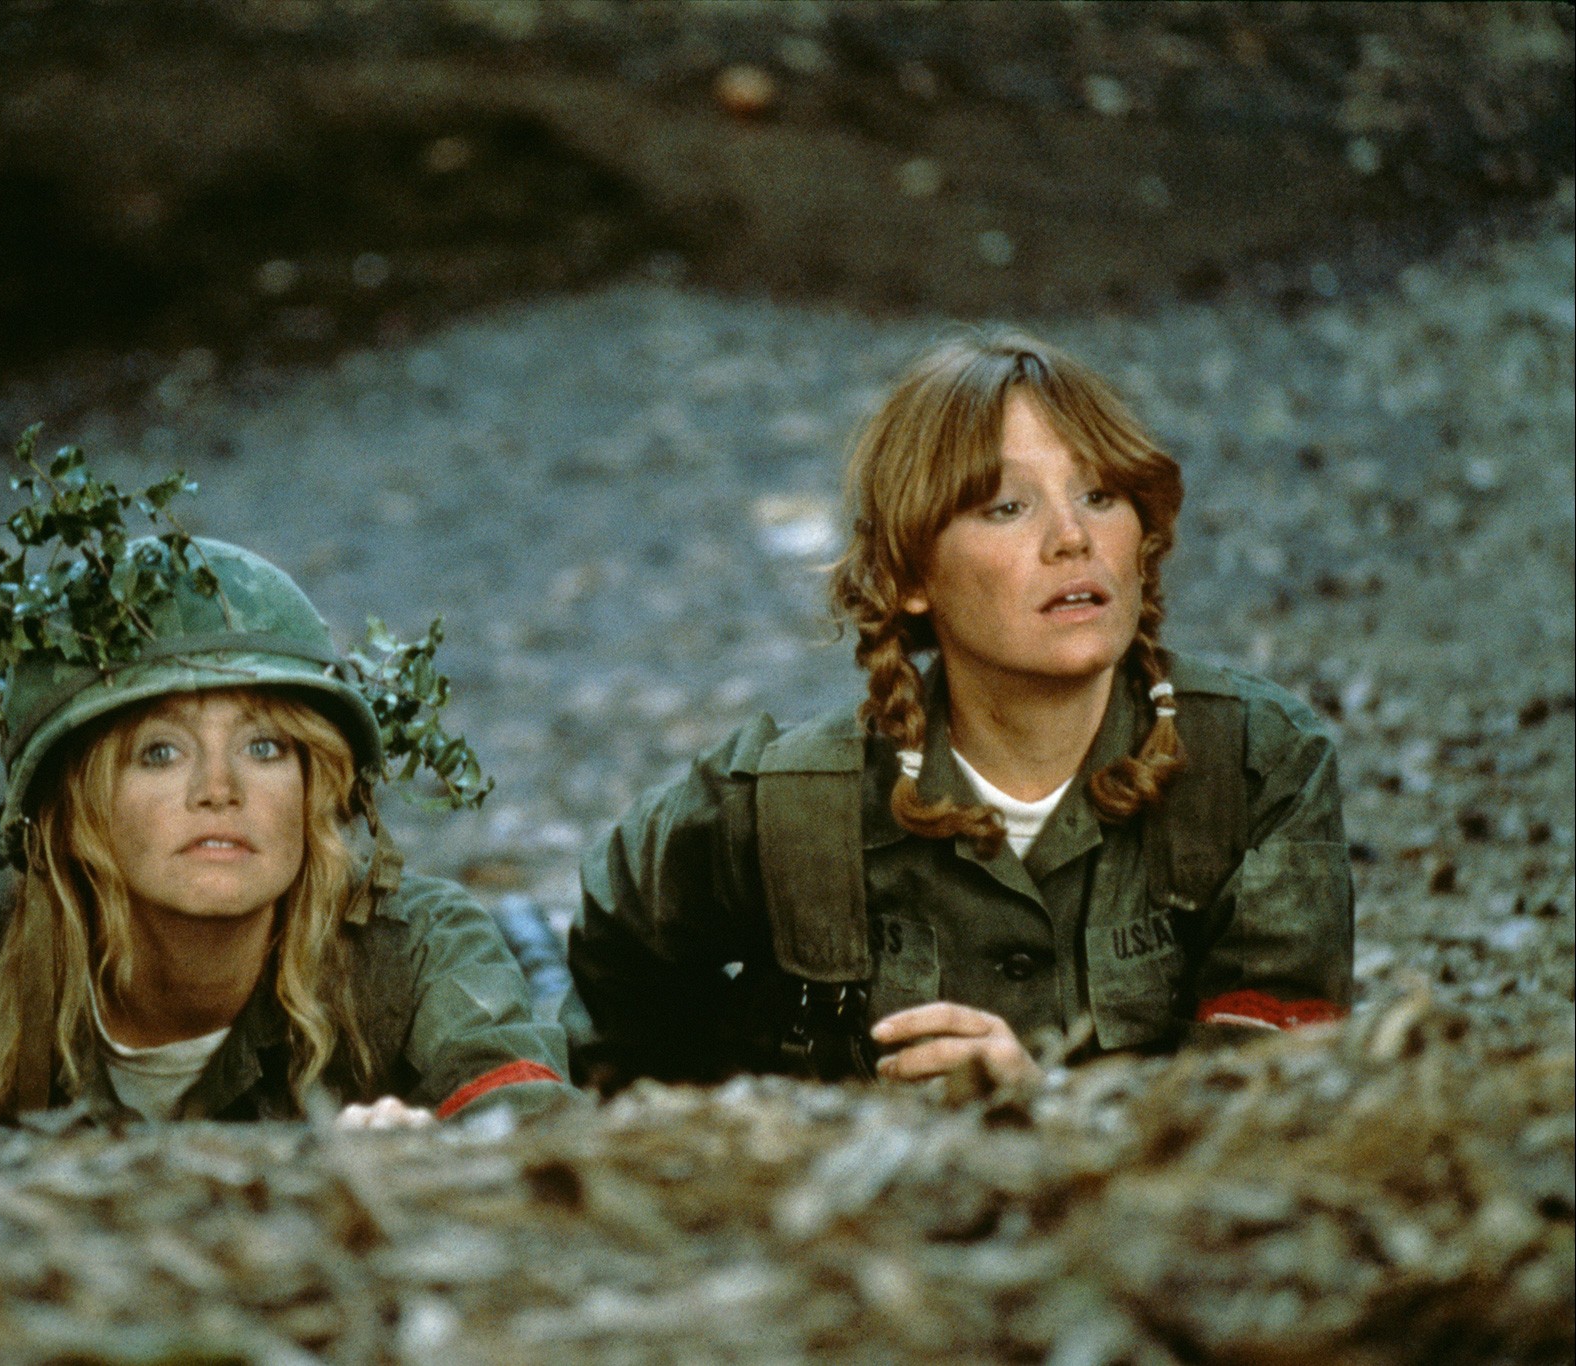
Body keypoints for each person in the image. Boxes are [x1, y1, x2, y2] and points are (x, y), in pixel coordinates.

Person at [569, 328, 1354, 1093]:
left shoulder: (1254, 762)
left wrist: (1046, 1105)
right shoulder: (787, 806)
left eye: (1100, 495)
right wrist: (746, 1110)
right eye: (1007, 507)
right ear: (913, 576)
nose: (1072, 537)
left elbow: (1275, 1104)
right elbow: (618, 961)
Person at [0, 537, 570, 1126]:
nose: (218, 789)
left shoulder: (412, 951)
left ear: (316, 788)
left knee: (564, 1016)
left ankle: (540, 957)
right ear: (74, 810)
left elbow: (528, 1121)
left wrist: (431, 1147)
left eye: (264, 747)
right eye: (160, 752)